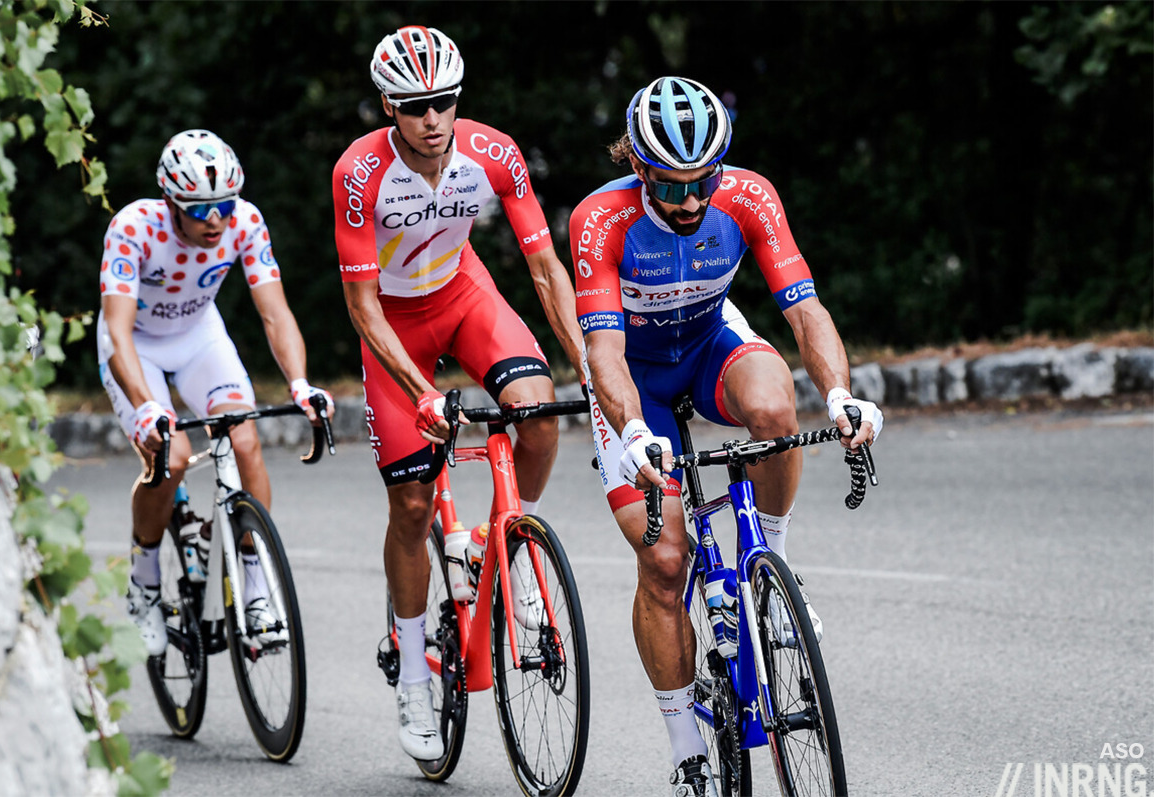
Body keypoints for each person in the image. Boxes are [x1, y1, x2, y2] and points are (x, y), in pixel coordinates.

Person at [570, 77, 884, 796]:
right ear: (638, 166)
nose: (689, 202)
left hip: (710, 342)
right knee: (665, 561)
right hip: (635, 377)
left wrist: (840, 394)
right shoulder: (599, 220)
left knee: (775, 408)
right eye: (669, 186)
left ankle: (772, 567)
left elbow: (805, 311)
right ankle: (687, 751)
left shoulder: (749, 196)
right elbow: (604, 352)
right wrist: (634, 432)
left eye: (702, 183)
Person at [331, 26, 585, 762]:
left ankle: (505, 544)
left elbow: (545, 268)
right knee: (412, 505)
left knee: (538, 410)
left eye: (443, 101)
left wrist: (590, 366)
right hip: (394, 322)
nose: (432, 118)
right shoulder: (359, 173)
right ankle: (414, 672)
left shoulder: (492, 153)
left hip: (462, 293)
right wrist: (422, 391)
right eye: (414, 106)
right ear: (389, 107)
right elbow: (362, 307)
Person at [98, 128, 333, 658]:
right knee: (173, 457)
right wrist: (147, 406)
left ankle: (256, 589)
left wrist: (299, 382)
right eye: (201, 210)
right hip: (136, 345)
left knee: (245, 441)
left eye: (225, 206)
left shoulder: (245, 221)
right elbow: (117, 330)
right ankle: (144, 581)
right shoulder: (134, 227)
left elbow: (275, 313)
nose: (216, 220)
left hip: (199, 337)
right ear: (171, 204)